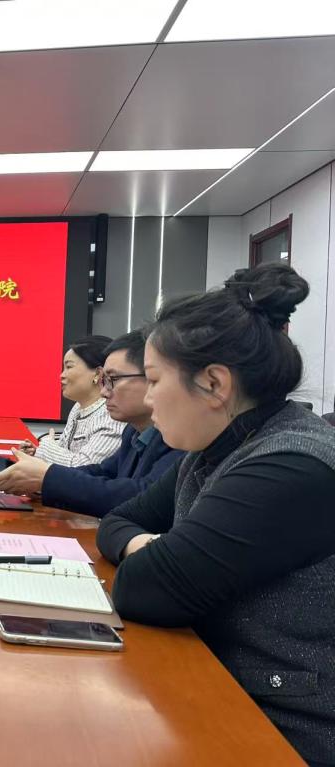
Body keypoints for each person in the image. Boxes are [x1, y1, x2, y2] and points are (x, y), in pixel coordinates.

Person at [95, 263, 335, 766]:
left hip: (284, 728)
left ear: (213, 383)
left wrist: (155, 556)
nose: (150, 398)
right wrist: (149, 545)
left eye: (155, 380)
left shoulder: (290, 465)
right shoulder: (216, 447)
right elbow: (119, 521)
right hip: (219, 686)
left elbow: (146, 589)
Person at [0, 329, 184, 517]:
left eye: (113, 380)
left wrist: (47, 477)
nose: (104, 392)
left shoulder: (180, 438)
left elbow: (143, 497)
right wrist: (42, 483)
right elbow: (102, 471)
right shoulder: (133, 432)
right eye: (104, 381)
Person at [19, 335, 124, 466]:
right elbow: (65, 451)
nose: (62, 375)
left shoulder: (112, 415)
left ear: (98, 373)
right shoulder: (77, 407)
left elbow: (85, 466)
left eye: (69, 367)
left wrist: (46, 447)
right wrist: (37, 452)